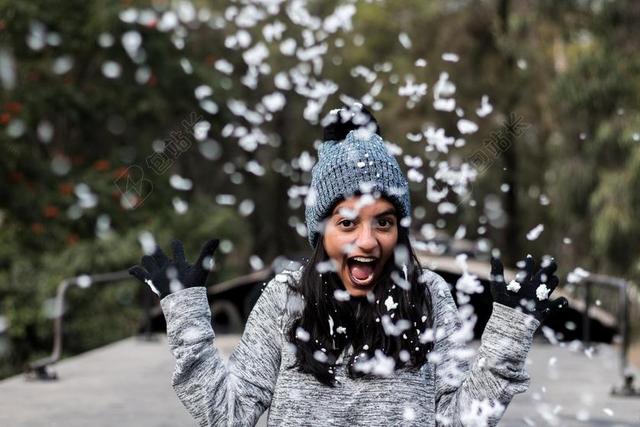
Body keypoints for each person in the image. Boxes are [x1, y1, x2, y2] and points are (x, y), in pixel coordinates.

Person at [129, 104, 568, 426]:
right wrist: (185, 316)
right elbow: (228, 414)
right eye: (347, 221)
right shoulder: (285, 298)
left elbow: (460, 420)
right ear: (321, 232)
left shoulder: (430, 295)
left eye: (384, 221)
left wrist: (509, 336)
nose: (367, 240)